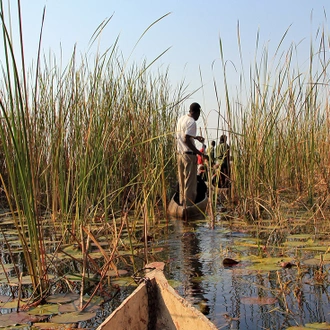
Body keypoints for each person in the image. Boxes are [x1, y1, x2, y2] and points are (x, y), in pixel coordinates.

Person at [176, 102, 208, 207]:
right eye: (199, 114)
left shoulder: (181, 119)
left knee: (182, 181)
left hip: (179, 154)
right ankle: (188, 205)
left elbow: (183, 135)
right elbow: (186, 140)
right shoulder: (192, 122)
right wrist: (200, 154)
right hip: (189, 155)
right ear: (196, 112)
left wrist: (195, 137)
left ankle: (182, 202)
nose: (199, 116)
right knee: (190, 183)